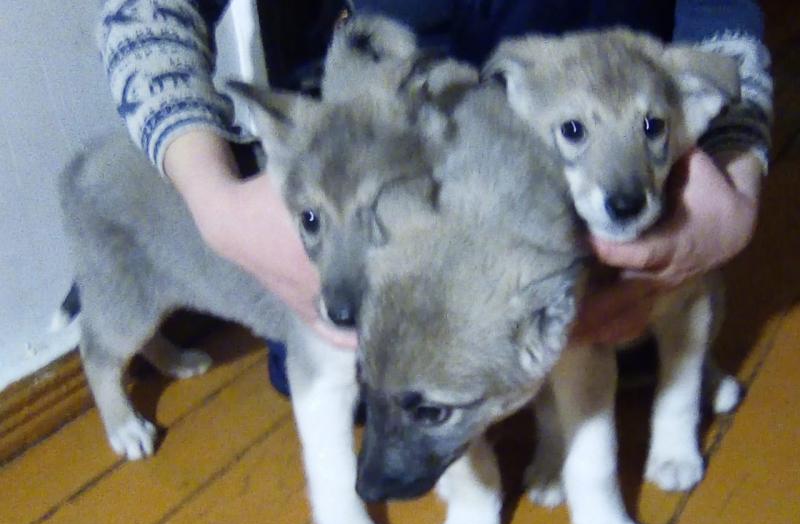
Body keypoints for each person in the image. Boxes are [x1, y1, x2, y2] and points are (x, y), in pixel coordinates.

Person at [97, 0, 772, 392]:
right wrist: (215, 203)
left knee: (636, 363)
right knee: (383, 397)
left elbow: (722, 13)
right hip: (388, 200)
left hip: (619, 223)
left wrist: (735, 183)